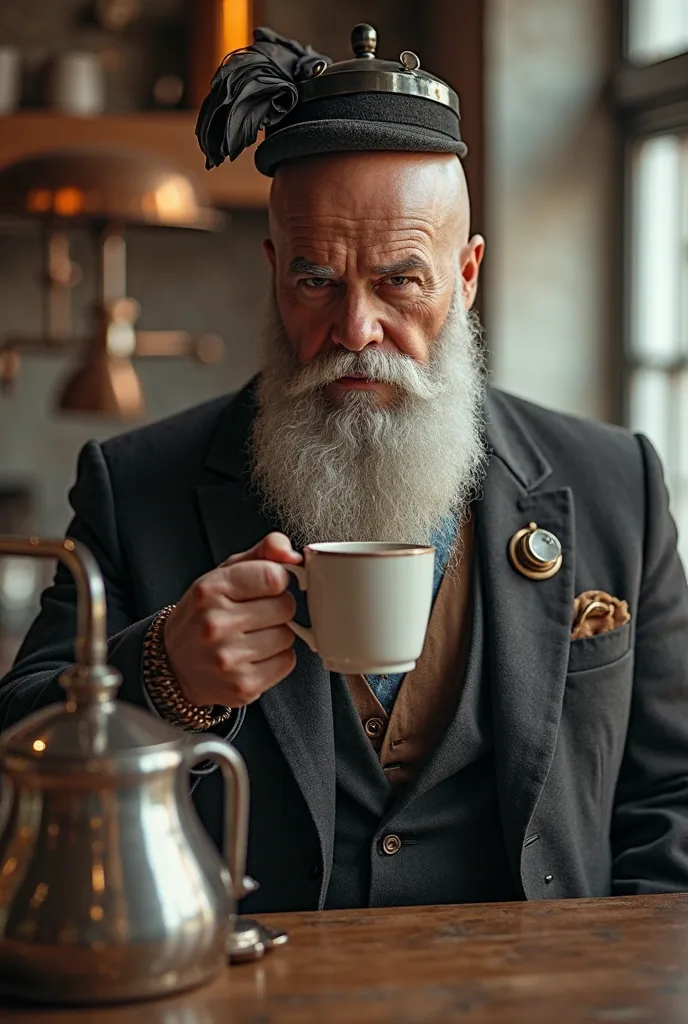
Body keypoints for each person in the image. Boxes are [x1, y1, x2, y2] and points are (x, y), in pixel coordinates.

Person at [2, 24, 688, 913]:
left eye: (401, 282)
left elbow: (673, 798)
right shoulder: (138, 485)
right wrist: (161, 671)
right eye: (318, 280)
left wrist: (620, 986)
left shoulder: (613, 482)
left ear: (467, 274)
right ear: (273, 270)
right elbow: (19, 747)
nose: (357, 329)